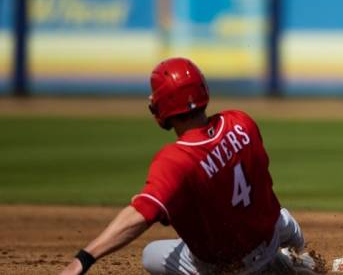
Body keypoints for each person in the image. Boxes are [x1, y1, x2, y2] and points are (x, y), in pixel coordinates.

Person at [58, 57, 318, 275]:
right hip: (268, 239)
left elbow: (140, 215)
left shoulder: (175, 160)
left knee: (150, 255)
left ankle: (284, 264)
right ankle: (300, 257)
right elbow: (249, 181)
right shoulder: (241, 121)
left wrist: (85, 257)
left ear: (162, 106)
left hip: (229, 269)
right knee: (278, 215)